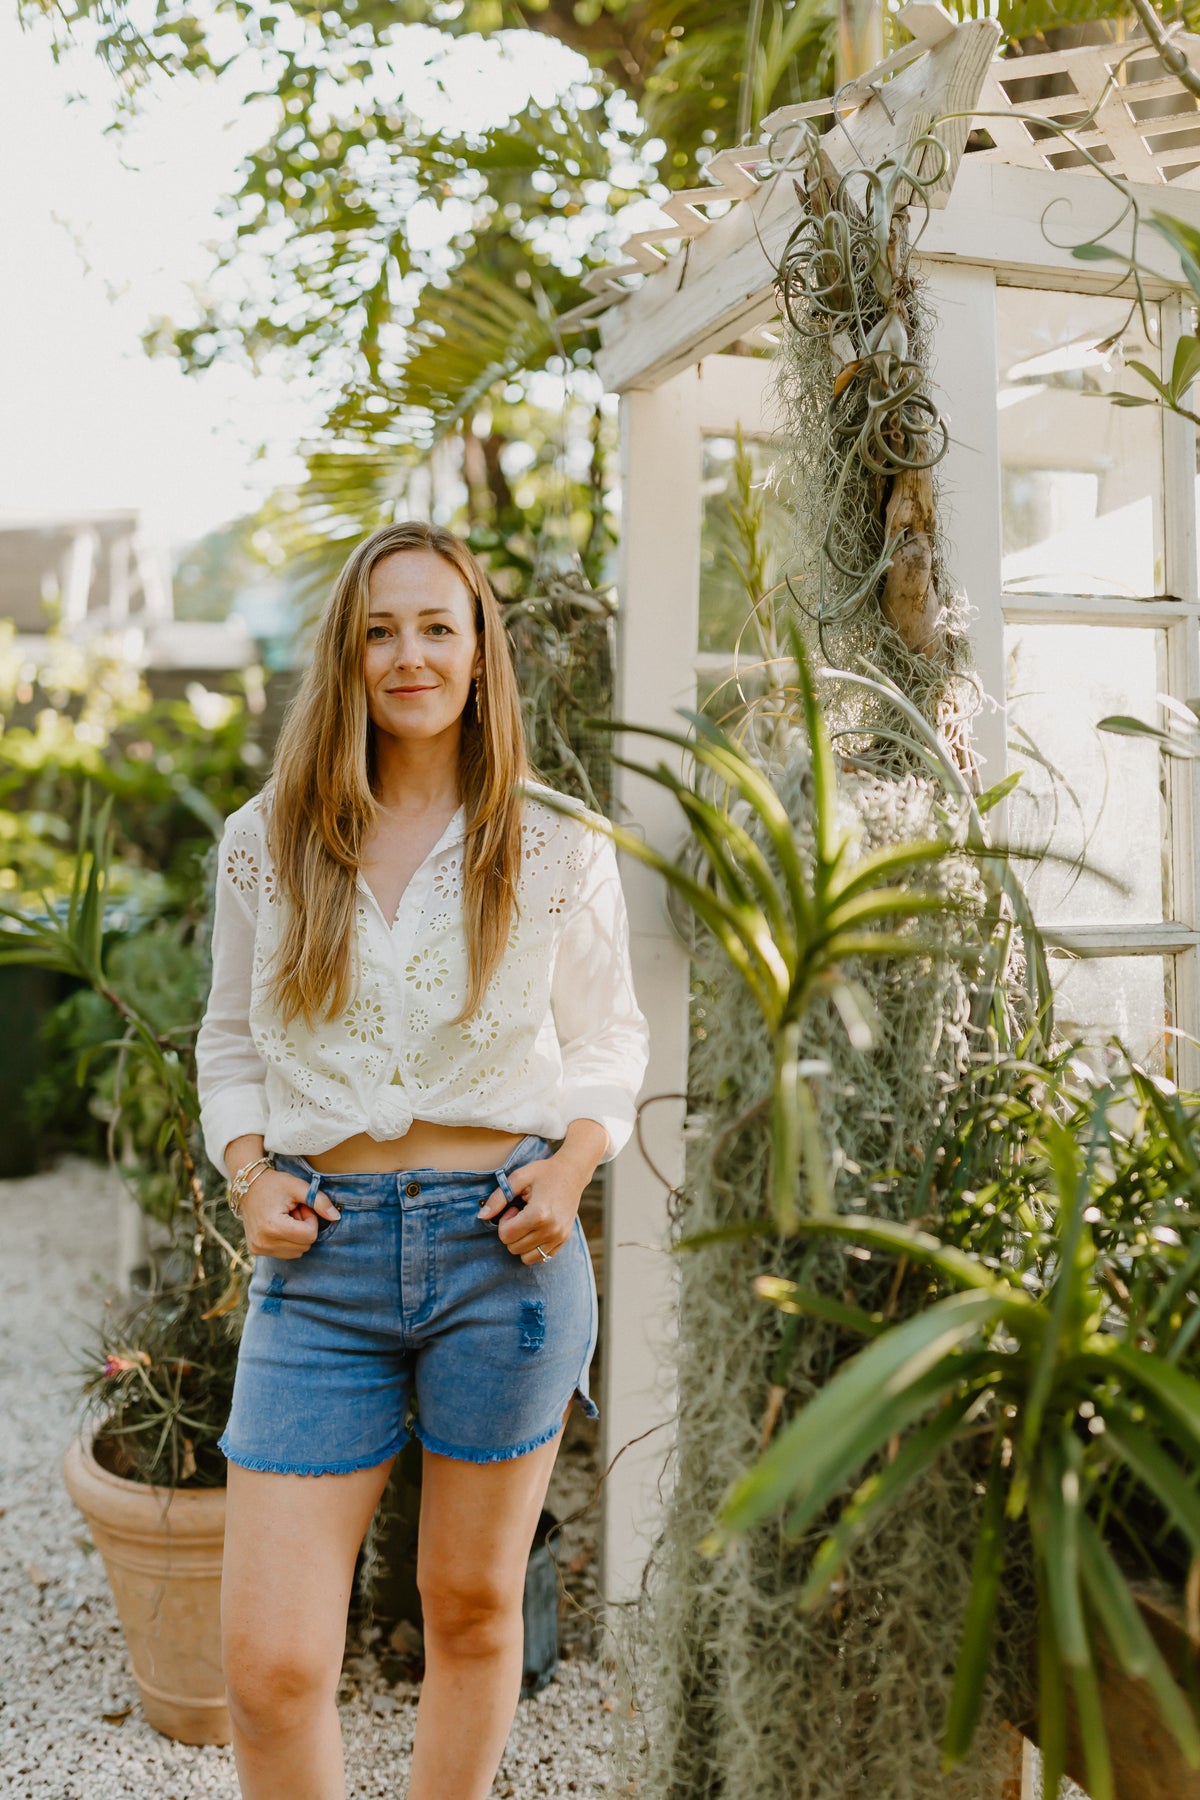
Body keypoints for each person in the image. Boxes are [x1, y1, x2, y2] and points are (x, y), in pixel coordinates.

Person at [195, 519, 649, 1800]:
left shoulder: (554, 841)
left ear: (478, 652)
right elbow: (229, 1040)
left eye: (436, 626)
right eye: (381, 628)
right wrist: (248, 1171)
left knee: (469, 1610)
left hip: (502, 1252)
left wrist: (567, 1175)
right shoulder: (268, 838)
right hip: (319, 1261)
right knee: (272, 1665)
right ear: (348, 652)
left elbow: (612, 1035)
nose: (409, 653)